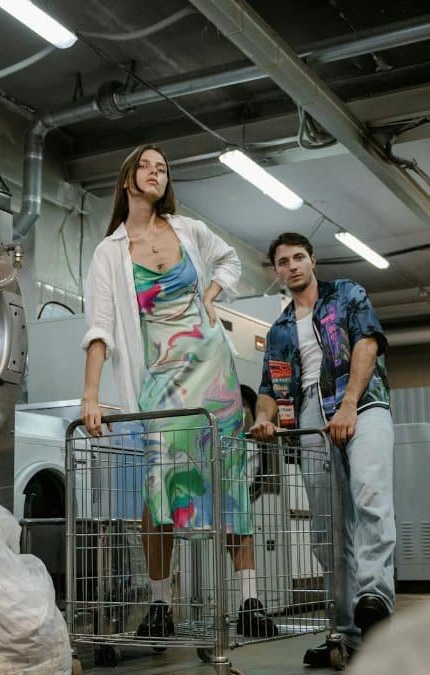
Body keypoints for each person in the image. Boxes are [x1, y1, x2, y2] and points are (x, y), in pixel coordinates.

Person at [80, 144, 277, 639]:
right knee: (160, 484)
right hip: (159, 381)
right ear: (127, 180)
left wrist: (211, 294)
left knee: (229, 478)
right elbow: (99, 329)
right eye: (146, 166)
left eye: (163, 168)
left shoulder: (188, 230)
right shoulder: (110, 252)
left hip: (214, 371)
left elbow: (229, 262)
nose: (155, 173)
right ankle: (162, 603)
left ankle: (250, 600)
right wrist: (90, 394)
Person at [248, 232, 395, 666]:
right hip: (309, 413)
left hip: (361, 399)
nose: (291, 266)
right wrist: (262, 417)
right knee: (326, 527)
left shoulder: (346, 294)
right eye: (282, 261)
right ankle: (345, 631)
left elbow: (367, 344)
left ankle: (374, 601)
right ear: (275, 271)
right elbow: (269, 389)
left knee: (369, 494)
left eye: (298, 257)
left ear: (313, 260)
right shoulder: (277, 331)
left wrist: (349, 403)